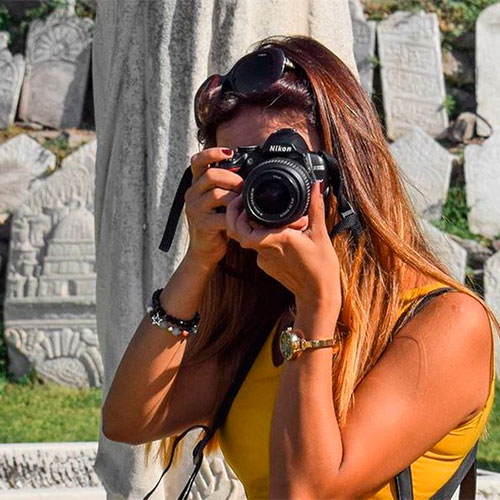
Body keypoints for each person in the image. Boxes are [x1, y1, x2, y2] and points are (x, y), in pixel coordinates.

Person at [101, 36, 497, 500]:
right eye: (245, 169)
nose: (266, 186)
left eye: (285, 161)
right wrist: (198, 260)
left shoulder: (446, 322)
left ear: (349, 168)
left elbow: (305, 492)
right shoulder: (264, 315)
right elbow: (128, 420)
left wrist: (317, 305)